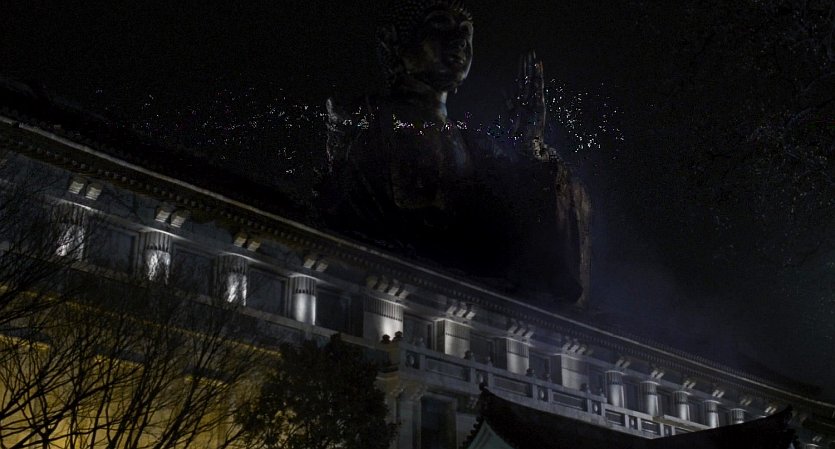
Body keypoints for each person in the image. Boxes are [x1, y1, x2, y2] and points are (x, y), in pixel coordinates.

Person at [322, 0, 591, 307]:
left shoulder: (476, 147)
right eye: (439, 25)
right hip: (386, 289)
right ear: (393, 41)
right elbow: (345, 213)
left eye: (466, 32)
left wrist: (529, 145)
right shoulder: (364, 118)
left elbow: (524, 232)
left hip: (468, 302)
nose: (460, 40)